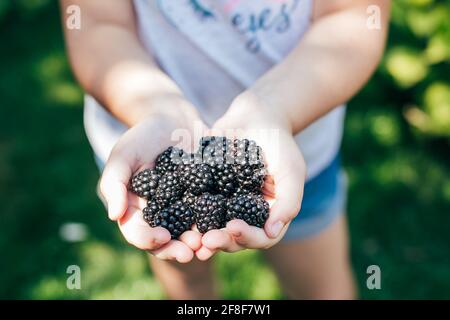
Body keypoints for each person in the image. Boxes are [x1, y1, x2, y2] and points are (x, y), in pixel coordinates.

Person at [61, 0, 390, 299]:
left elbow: (355, 17)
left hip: (294, 160)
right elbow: (96, 22)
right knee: (183, 273)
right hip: (142, 141)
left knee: (320, 288)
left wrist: (274, 109)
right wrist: (154, 107)